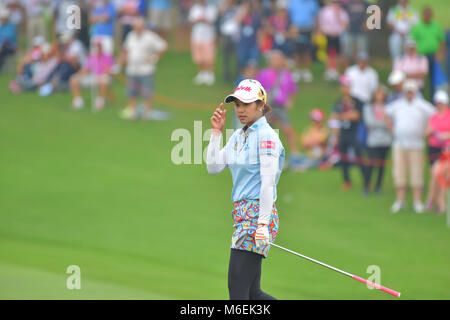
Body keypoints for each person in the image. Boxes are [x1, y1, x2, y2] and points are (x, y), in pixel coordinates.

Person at [206, 79, 284, 300]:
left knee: (237, 290)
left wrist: (262, 224)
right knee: (252, 292)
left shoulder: (267, 137)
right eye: (237, 104)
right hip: (243, 217)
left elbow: (268, 183)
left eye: (246, 104)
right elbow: (214, 167)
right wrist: (215, 133)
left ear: (260, 105)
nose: (240, 109)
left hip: (257, 218)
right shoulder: (239, 136)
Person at [385, 80, 436, 214]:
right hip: (399, 143)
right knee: (399, 172)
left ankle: (417, 201)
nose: (409, 94)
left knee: (416, 172)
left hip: (416, 144)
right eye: (407, 91)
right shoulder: (397, 105)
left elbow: (435, 117)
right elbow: (386, 114)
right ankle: (400, 200)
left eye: (411, 91)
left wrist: (427, 130)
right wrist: (392, 129)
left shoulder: (422, 105)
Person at [255, 50, 300, 171]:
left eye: (278, 59)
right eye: (274, 59)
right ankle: (264, 159)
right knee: (265, 133)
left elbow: (293, 89)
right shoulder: (264, 74)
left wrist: (290, 101)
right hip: (267, 107)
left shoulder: (286, 74)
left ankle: (294, 157)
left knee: (288, 130)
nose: (276, 61)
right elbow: (256, 89)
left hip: (280, 107)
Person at [119, 17, 168, 120]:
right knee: (132, 92)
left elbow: (163, 46)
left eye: (139, 26)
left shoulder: (150, 36)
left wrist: (154, 58)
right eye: (136, 26)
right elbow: (125, 50)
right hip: (132, 69)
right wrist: (120, 64)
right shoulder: (131, 36)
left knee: (147, 92)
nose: (137, 28)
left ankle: (146, 113)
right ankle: (133, 112)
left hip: (146, 70)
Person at [330, 74, 366, 191]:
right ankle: (346, 181)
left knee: (359, 157)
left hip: (355, 132)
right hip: (343, 133)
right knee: (343, 158)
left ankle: (366, 181)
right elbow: (333, 118)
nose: (345, 88)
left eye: (347, 85)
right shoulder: (338, 102)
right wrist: (336, 134)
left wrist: (340, 116)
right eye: (343, 86)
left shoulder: (357, 101)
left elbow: (356, 116)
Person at [410, 6, 446, 99]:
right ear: (422, 15)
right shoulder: (418, 27)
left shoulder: (436, 26)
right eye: (426, 14)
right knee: (420, 78)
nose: (427, 16)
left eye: (429, 14)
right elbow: (412, 41)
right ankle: (419, 96)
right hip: (421, 56)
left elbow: (442, 41)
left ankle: (433, 98)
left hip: (433, 55)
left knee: (433, 78)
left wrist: (441, 53)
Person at [362, 86, 392, 194]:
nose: (379, 96)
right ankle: (366, 185)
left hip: (385, 141)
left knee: (381, 166)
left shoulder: (389, 107)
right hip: (372, 141)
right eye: (377, 94)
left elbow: (391, 123)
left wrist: (380, 123)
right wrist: (384, 123)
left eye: (381, 94)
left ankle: (378, 187)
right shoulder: (368, 107)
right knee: (371, 163)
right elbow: (369, 123)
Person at [70, 39, 114, 110]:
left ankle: (100, 100)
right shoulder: (91, 57)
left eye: (98, 47)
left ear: (101, 47)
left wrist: (104, 71)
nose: (97, 48)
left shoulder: (107, 57)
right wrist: (79, 75)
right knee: (74, 79)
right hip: (93, 76)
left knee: (104, 80)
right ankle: (78, 101)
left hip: (102, 76)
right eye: (96, 47)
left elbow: (109, 70)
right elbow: (86, 69)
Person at [425, 90, 450, 214]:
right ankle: (433, 200)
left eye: (442, 102)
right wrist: (429, 131)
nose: (440, 104)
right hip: (433, 149)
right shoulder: (433, 116)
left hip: (446, 150)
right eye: (438, 102)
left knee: (439, 174)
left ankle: (438, 201)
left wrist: (447, 135)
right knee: (435, 176)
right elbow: (426, 132)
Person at [317, 0, 349, 81]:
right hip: (328, 35)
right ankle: (328, 70)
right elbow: (322, 22)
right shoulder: (325, 11)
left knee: (338, 53)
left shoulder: (342, 12)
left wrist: (338, 16)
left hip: (338, 35)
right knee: (329, 53)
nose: (336, 4)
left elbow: (345, 25)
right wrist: (327, 31)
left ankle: (335, 70)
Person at [288, 0, 319, 83]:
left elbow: (316, 16)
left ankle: (306, 71)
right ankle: (297, 71)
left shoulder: (313, 2)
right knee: (297, 51)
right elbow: (290, 15)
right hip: (296, 29)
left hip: (309, 29)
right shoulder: (294, 2)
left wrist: (316, 29)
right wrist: (292, 28)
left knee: (307, 51)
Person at [188, 0, 218, 85]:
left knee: (209, 57)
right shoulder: (194, 8)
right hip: (196, 37)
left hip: (208, 37)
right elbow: (191, 21)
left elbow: (212, 21)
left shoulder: (211, 8)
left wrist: (203, 19)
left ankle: (210, 74)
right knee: (198, 57)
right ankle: (202, 74)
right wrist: (199, 20)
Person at [235, 0, 263, 71]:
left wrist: (259, 42)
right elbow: (236, 21)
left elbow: (259, 30)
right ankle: (242, 78)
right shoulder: (241, 16)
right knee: (242, 61)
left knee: (253, 62)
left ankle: (254, 78)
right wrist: (243, 12)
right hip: (242, 43)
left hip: (253, 43)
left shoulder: (256, 16)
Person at [341, 0, 369, 69]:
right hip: (349, 31)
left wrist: (370, 24)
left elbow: (377, 12)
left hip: (361, 32)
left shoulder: (365, 4)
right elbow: (339, 12)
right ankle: (346, 72)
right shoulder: (347, 3)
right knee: (347, 52)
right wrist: (343, 23)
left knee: (362, 53)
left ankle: (361, 72)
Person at [218, 0, 240, 82]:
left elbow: (238, 18)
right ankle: (226, 76)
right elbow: (220, 12)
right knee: (225, 57)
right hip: (225, 34)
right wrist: (227, 5)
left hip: (235, 35)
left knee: (236, 57)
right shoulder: (224, 6)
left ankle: (236, 76)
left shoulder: (238, 8)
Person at [0, 6, 17, 72]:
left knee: (2, 49)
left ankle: (1, 68)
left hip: (10, 47)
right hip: (2, 47)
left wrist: (1, 44)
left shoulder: (11, 26)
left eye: (2, 18)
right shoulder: (1, 27)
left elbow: (8, 38)